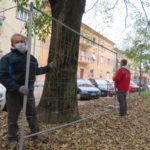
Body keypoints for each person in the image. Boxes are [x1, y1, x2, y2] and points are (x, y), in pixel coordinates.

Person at [0, 33, 55, 144]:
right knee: (13, 117)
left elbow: (36, 71)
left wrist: (48, 68)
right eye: (17, 42)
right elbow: (3, 76)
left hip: (29, 92)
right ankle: (12, 138)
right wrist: (18, 87)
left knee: (32, 114)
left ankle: (35, 134)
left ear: (25, 42)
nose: (20, 43)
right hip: (14, 92)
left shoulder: (32, 58)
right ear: (12, 44)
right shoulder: (7, 58)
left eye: (22, 41)